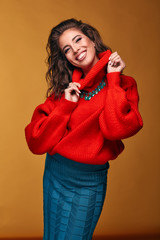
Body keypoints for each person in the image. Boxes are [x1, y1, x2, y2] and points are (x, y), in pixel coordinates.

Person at [25, 18, 143, 240]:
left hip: (89, 182)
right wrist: (65, 106)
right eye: (67, 49)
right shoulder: (66, 90)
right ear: (65, 58)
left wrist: (113, 78)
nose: (76, 50)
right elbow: (36, 142)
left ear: (92, 38)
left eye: (78, 39)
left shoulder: (124, 85)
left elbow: (115, 130)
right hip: (56, 173)